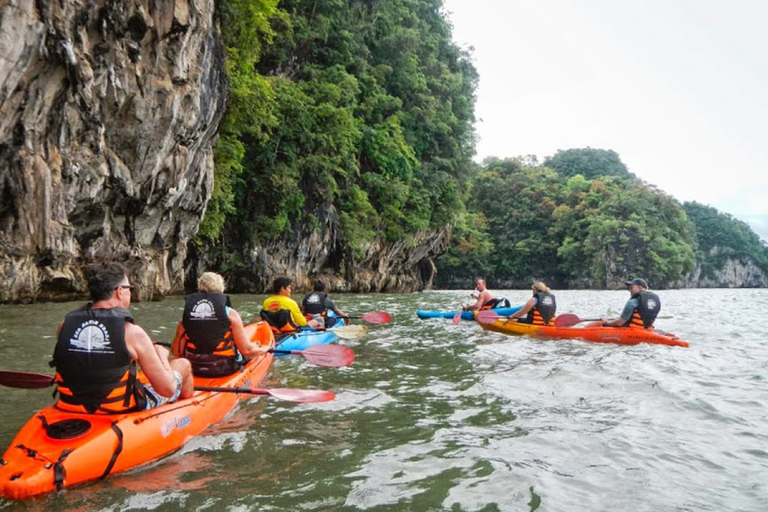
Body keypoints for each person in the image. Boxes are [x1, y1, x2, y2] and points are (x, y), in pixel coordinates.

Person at [51, 262, 194, 414]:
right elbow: (167, 389)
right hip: (115, 410)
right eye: (129, 288)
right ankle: (191, 405)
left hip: (70, 406)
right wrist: (161, 356)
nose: (130, 292)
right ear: (120, 291)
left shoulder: (64, 325)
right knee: (183, 364)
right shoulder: (133, 333)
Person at [172, 271, 270, 377]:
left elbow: (176, 351)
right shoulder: (231, 315)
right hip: (223, 368)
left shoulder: (187, 316)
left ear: (199, 288)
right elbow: (246, 350)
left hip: (194, 368)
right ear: (221, 289)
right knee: (251, 354)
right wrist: (263, 349)